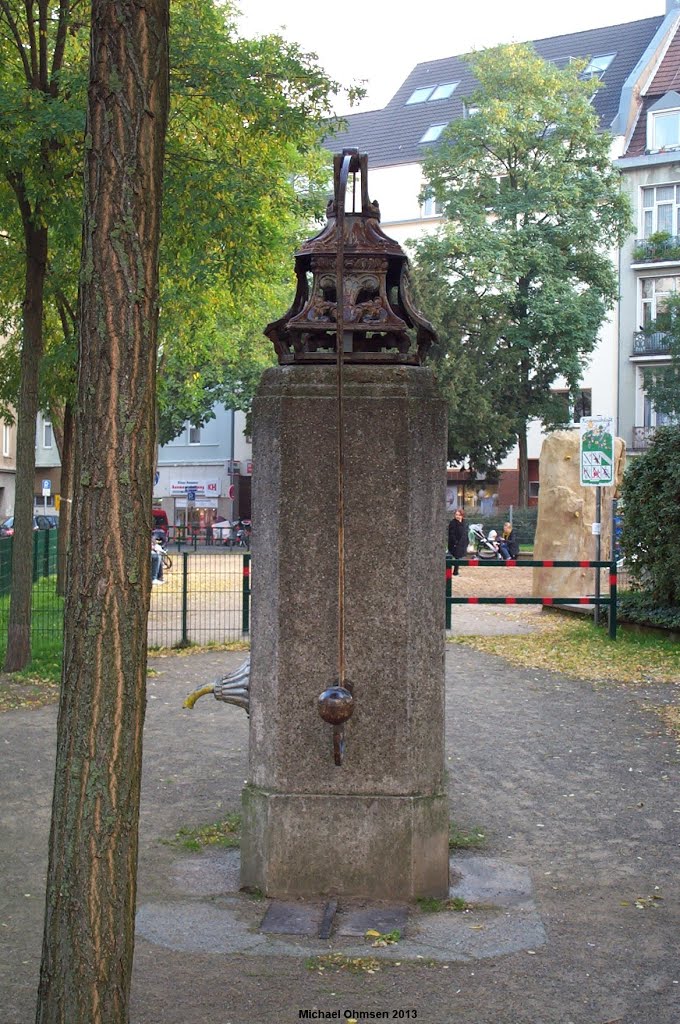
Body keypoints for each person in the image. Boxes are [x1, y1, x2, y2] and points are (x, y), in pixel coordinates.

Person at [447, 507, 467, 576]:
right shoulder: (453, 523)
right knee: (456, 557)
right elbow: (451, 533)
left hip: (462, 542)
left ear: (462, 515)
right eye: (456, 514)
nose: (457, 516)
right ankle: (455, 572)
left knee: (459, 557)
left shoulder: (464, 522)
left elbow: (465, 532)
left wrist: (467, 541)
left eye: (459, 514)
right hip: (455, 543)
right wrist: (455, 542)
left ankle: (456, 570)